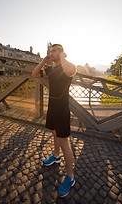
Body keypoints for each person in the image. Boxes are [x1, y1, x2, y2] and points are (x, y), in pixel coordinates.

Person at [32, 44, 77, 197]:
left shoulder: (69, 66)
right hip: (52, 108)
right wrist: (44, 61)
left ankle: (70, 177)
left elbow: (70, 72)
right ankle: (56, 157)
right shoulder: (51, 69)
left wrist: (63, 58)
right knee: (54, 133)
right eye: (50, 50)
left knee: (64, 143)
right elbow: (34, 74)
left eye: (54, 50)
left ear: (62, 52)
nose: (51, 52)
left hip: (62, 110)